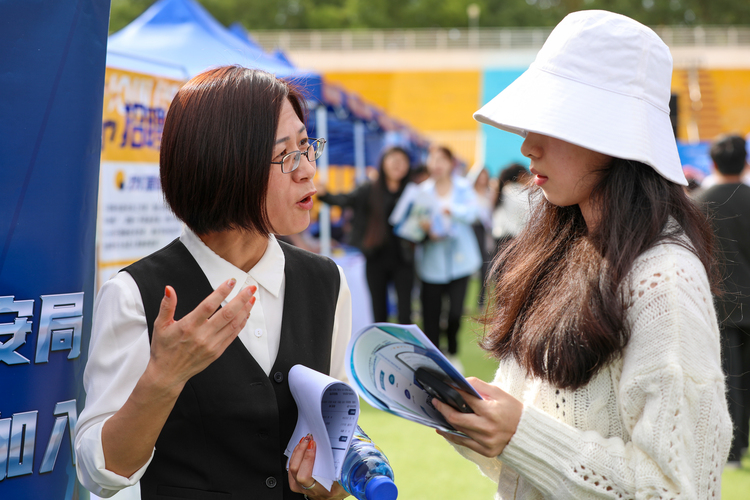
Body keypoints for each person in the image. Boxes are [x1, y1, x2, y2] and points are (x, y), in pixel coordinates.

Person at [431, 11, 732, 499]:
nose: (527, 145)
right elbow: (523, 464)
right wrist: (473, 419)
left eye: (553, 121)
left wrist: (518, 434)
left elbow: (677, 489)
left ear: (614, 136)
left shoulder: (664, 279)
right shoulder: (553, 255)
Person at [75, 66, 351, 500]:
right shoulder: (137, 295)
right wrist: (164, 377)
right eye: (287, 154)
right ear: (224, 163)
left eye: (306, 145)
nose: (308, 170)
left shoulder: (327, 283)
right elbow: (102, 473)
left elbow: (334, 449)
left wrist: (330, 481)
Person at [397, 145, 482, 370]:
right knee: (431, 316)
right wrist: (424, 231)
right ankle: (434, 360)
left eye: (442, 159)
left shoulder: (463, 188)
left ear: (451, 163)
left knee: (455, 313)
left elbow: (475, 213)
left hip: (461, 262)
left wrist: (451, 210)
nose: (437, 164)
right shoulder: (422, 192)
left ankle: (452, 351)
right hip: (431, 263)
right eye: (433, 159)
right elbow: (410, 227)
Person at [695, 134, 750, 465]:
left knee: (729, 381)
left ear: (713, 163)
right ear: (745, 162)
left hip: (721, 306)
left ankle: (732, 449)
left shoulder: (700, 202)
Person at [316, 146, 414, 324]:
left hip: (404, 259)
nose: (398, 165)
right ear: (383, 163)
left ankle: (404, 350)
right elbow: (346, 200)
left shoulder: (413, 192)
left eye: (402, 161)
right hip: (375, 257)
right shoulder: (369, 189)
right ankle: (380, 348)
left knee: (405, 312)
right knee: (378, 309)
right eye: (393, 160)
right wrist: (325, 195)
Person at [491, 162, 530, 255]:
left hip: (499, 238)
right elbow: (529, 215)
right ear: (521, 176)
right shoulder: (519, 192)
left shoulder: (504, 190)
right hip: (512, 239)